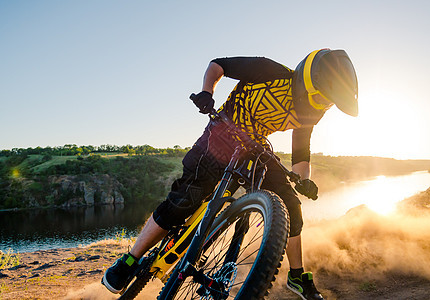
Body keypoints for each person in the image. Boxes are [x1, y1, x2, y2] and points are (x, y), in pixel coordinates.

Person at [102, 48, 358, 300]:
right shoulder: (270, 71)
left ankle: (297, 276)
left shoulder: (313, 112)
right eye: (323, 96)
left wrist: (304, 181)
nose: (324, 104)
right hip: (221, 134)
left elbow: (301, 151)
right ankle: (129, 261)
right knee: (185, 198)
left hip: (255, 148)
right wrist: (207, 92)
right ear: (309, 81)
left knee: (291, 205)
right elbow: (218, 65)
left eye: (329, 100)